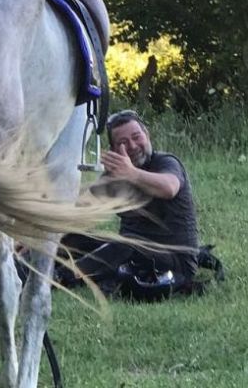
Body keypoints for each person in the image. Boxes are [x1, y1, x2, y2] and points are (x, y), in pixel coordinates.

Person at [58, 109, 199, 297]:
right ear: (115, 149)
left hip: (175, 261)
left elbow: (169, 187)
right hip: (128, 249)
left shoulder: (165, 162)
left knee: (127, 245)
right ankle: (30, 264)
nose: (132, 146)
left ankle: (59, 277)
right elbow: (81, 209)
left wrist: (130, 173)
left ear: (147, 135)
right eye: (123, 142)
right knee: (73, 238)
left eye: (136, 137)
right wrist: (43, 235)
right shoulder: (115, 176)